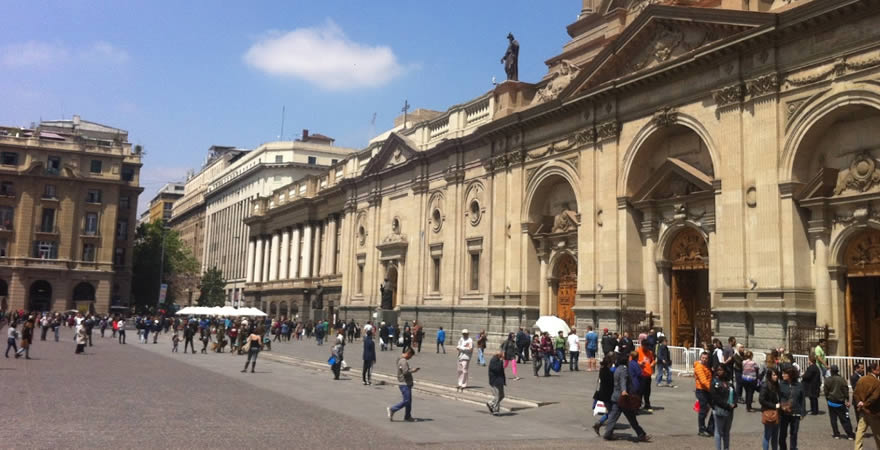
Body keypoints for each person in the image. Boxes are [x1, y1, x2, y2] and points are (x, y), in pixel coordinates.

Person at [603, 352, 650, 442]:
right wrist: (624, 391)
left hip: (616, 397)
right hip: (623, 398)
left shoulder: (617, 369)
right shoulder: (624, 370)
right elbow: (623, 381)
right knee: (631, 418)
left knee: (613, 417)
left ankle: (608, 433)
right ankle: (641, 435)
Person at [824, 365, 855, 440]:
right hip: (840, 402)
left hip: (831, 401)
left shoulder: (827, 380)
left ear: (831, 371)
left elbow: (826, 391)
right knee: (844, 419)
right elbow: (845, 391)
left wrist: (827, 399)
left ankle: (836, 434)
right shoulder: (842, 380)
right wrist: (847, 400)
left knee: (833, 419)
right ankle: (850, 434)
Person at [854, 362, 880, 449]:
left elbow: (855, 393)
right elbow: (874, 398)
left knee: (860, 433)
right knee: (877, 434)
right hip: (873, 412)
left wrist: (859, 403)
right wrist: (865, 404)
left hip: (863, 411)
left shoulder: (861, 379)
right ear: (873, 370)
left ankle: (857, 448)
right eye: (878, 369)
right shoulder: (876, 382)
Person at [387, 347, 418, 422]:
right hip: (404, 383)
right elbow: (405, 372)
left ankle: (407, 416)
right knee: (407, 400)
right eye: (411, 356)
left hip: (405, 383)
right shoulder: (403, 361)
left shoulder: (400, 359)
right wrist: (413, 370)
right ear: (408, 353)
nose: (410, 358)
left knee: (408, 401)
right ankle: (392, 409)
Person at [711, 365, 736, 450]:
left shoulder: (729, 382)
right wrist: (726, 405)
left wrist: (734, 403)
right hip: (719, 409)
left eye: (721, 370)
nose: (720, 371)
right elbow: (715, 397)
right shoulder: (715, 382)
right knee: (718, 432)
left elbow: (735, 394)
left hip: (730, 410)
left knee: (726, 432)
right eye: (718, 370)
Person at [779, 366, 804, 450]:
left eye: (785, 373)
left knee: (794, 433)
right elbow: (778, 397)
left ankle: (793, 448)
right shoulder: (781, 384)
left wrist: (802, 413)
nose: (783, 375)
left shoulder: (799, 385)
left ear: (790, 374)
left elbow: (802, 399)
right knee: (782, 434)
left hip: (795, 412)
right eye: (782, 373)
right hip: (783, 413)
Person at [592, 353, 615, 435]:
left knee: (611, 412)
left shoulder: (603, 370)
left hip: (603, 394)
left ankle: (600, 424)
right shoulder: (608, 372)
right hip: (607, 395)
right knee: (612, 412)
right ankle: (604, 427)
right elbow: (611, 383)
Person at [760, 368, 782, 450]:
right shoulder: (765, 385)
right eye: (774, 375)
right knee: (767, 435)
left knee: (775, 436)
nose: (776, 377)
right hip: (769, 413)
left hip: (777, 413)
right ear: (770, 375)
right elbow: (761, 400)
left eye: (776, 375)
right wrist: (774, 406)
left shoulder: (777, 385)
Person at [695, 351, 715, 437]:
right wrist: (712, 389)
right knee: (703, 410)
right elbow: (703, 381)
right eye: (703, 358)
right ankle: (702, 429)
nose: (704, 360)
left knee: (714, 407)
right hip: (701, 390)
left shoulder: (706, 366)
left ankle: (710, 428)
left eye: (706, 358)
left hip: (707, 390)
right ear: (700, 358)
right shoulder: (699, 367)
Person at [637, 339, 655, 412]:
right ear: (642, 345)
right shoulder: (638, 351)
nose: (647, 347)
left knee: (647, 391)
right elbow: (632, 360)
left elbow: (652, 360)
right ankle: (638, 404)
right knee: (640, 390)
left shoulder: (649, 352)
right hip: (641, 373)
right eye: (645, 346)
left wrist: (653, 363)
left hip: (648, 374)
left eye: (648, 346)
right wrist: (639, 363)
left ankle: (647, 404)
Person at [487, 350, 506, 416]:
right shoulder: (493, 360)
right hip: (495, 381)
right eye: (503, 354)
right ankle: (495, 410)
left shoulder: (499, 360)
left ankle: (491, 403)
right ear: (499, 355)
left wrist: (504, 381)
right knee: (497, 396)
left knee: (502, 395)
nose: (504, 356)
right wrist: (501, 361)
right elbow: (497, 369)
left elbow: (501, 372)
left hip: (500, 381)